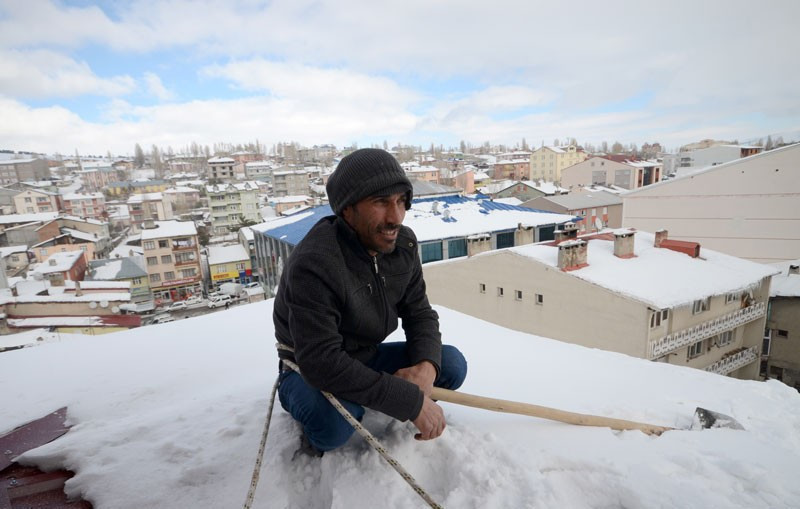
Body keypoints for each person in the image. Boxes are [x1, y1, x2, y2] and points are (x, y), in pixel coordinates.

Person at [273, 148, 467, 456]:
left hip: (365, 356)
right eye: (380, 202)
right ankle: (323, 417)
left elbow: (419, 314)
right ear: (347, 209)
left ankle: (365, 395)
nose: (395, 217)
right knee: (332, 426)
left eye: (401, 201)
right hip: (306, 368)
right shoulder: (314, 264)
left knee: (450, 364)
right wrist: (408, 400)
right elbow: (321, 362)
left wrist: (426, 367)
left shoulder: (402, 245)